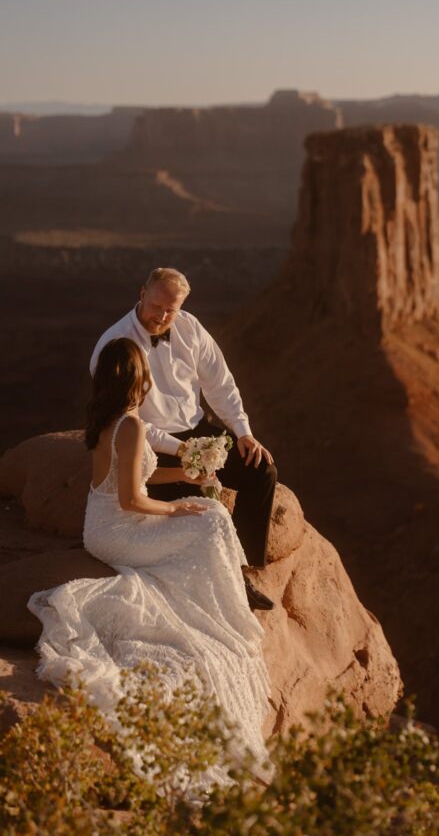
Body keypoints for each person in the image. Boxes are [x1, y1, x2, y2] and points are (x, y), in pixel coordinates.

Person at [28, 337, 270, 781]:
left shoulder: (111, 420)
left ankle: (221, 593)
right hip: (119, 531)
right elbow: (134, 498)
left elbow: (141, 470)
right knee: (209, 522)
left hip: (101, 527)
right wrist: (177, 507)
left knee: (210, 511)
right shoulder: (133, 426)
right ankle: (228, 608)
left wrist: (190, 475)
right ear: (137, 378)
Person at [90, 267, 276, 611]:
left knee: (261, 471)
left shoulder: (190, 327)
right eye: (156, 305)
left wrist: (242, 431)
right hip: (152, 441)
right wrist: (185, 453)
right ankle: (225, 581)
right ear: (141, 293)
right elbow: (127, 423)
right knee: (199, 512)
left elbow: (220, 383)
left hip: (197, 427)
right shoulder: (114, 347)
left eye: (170, 310)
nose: (162, 316)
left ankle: (245, 568)